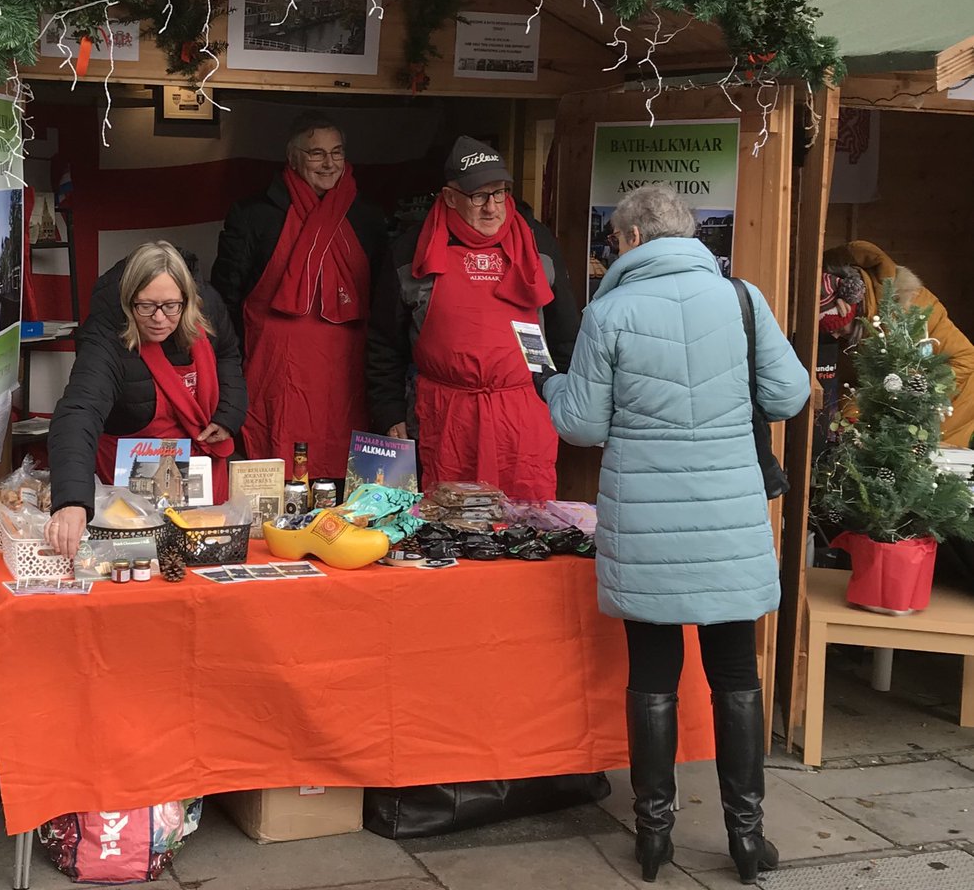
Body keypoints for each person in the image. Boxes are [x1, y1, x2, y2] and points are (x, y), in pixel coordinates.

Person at [541, 184, 810, 884]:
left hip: (648, 517)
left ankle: (653, 836)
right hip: (729, 516)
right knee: (736, 673)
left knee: (653, 672)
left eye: (613, 240)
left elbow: (582, 426)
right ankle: (746, 837)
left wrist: (550, 385)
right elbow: (788, 395)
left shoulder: (610, 312)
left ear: (631, 238)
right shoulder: (742, 299)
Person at [366, 136, 577, 500]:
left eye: (500, 193)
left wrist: (566, 401)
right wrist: (388, 411)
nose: (492, 207)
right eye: (479, 196)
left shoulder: (538, 243)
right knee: (448, 519)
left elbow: (565, 333)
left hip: (524, 414)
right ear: (450, 197)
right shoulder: (412, 250)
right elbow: (384, 342)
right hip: (445, 417)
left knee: (527, 519)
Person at [211, 111, 386, 478]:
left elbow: (383, 301)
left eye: (337, 152)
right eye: (316, 153)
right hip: (275, 369)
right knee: (278, 466)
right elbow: (224, 298)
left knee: (342, 466)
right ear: (292, 158)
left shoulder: (367, 217)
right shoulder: (254, 214)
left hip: (346, 371)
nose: (329, 163)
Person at [46, 241, 247, 559]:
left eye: (171, 306)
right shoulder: (106, 334)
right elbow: (80, 411)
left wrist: (228, 413)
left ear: (187, 300)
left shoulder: (206, 303)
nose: (159, 318)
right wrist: (72, 500)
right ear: (129, 300)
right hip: (127, 492)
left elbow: (227, 353)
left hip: (201, 474)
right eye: (146, 306)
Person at [823, 240, 974, 448]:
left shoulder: (916, 307)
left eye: (837, 326)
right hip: (900, 434)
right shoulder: (852, 336)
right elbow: (852, 384)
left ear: (849, 306)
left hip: (953, 422)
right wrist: (854, 421)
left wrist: (916, 395)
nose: (833, 335)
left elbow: (966, 359)